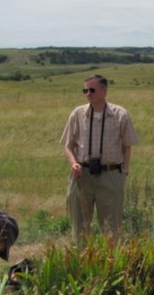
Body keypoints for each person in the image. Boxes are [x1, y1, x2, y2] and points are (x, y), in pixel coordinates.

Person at [60, 74, 139, 240]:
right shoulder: (77, 114)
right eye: (85, 91)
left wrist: (124, 173)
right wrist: (73, 163)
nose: (88, 94)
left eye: (92, 90)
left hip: (110, 174)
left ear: (104, 90)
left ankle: (110, 256)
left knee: (112, 228)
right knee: (80, 227)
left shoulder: (120, 115)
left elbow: (127, 146)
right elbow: (68, 144)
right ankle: (81, 256)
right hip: (82, 175)